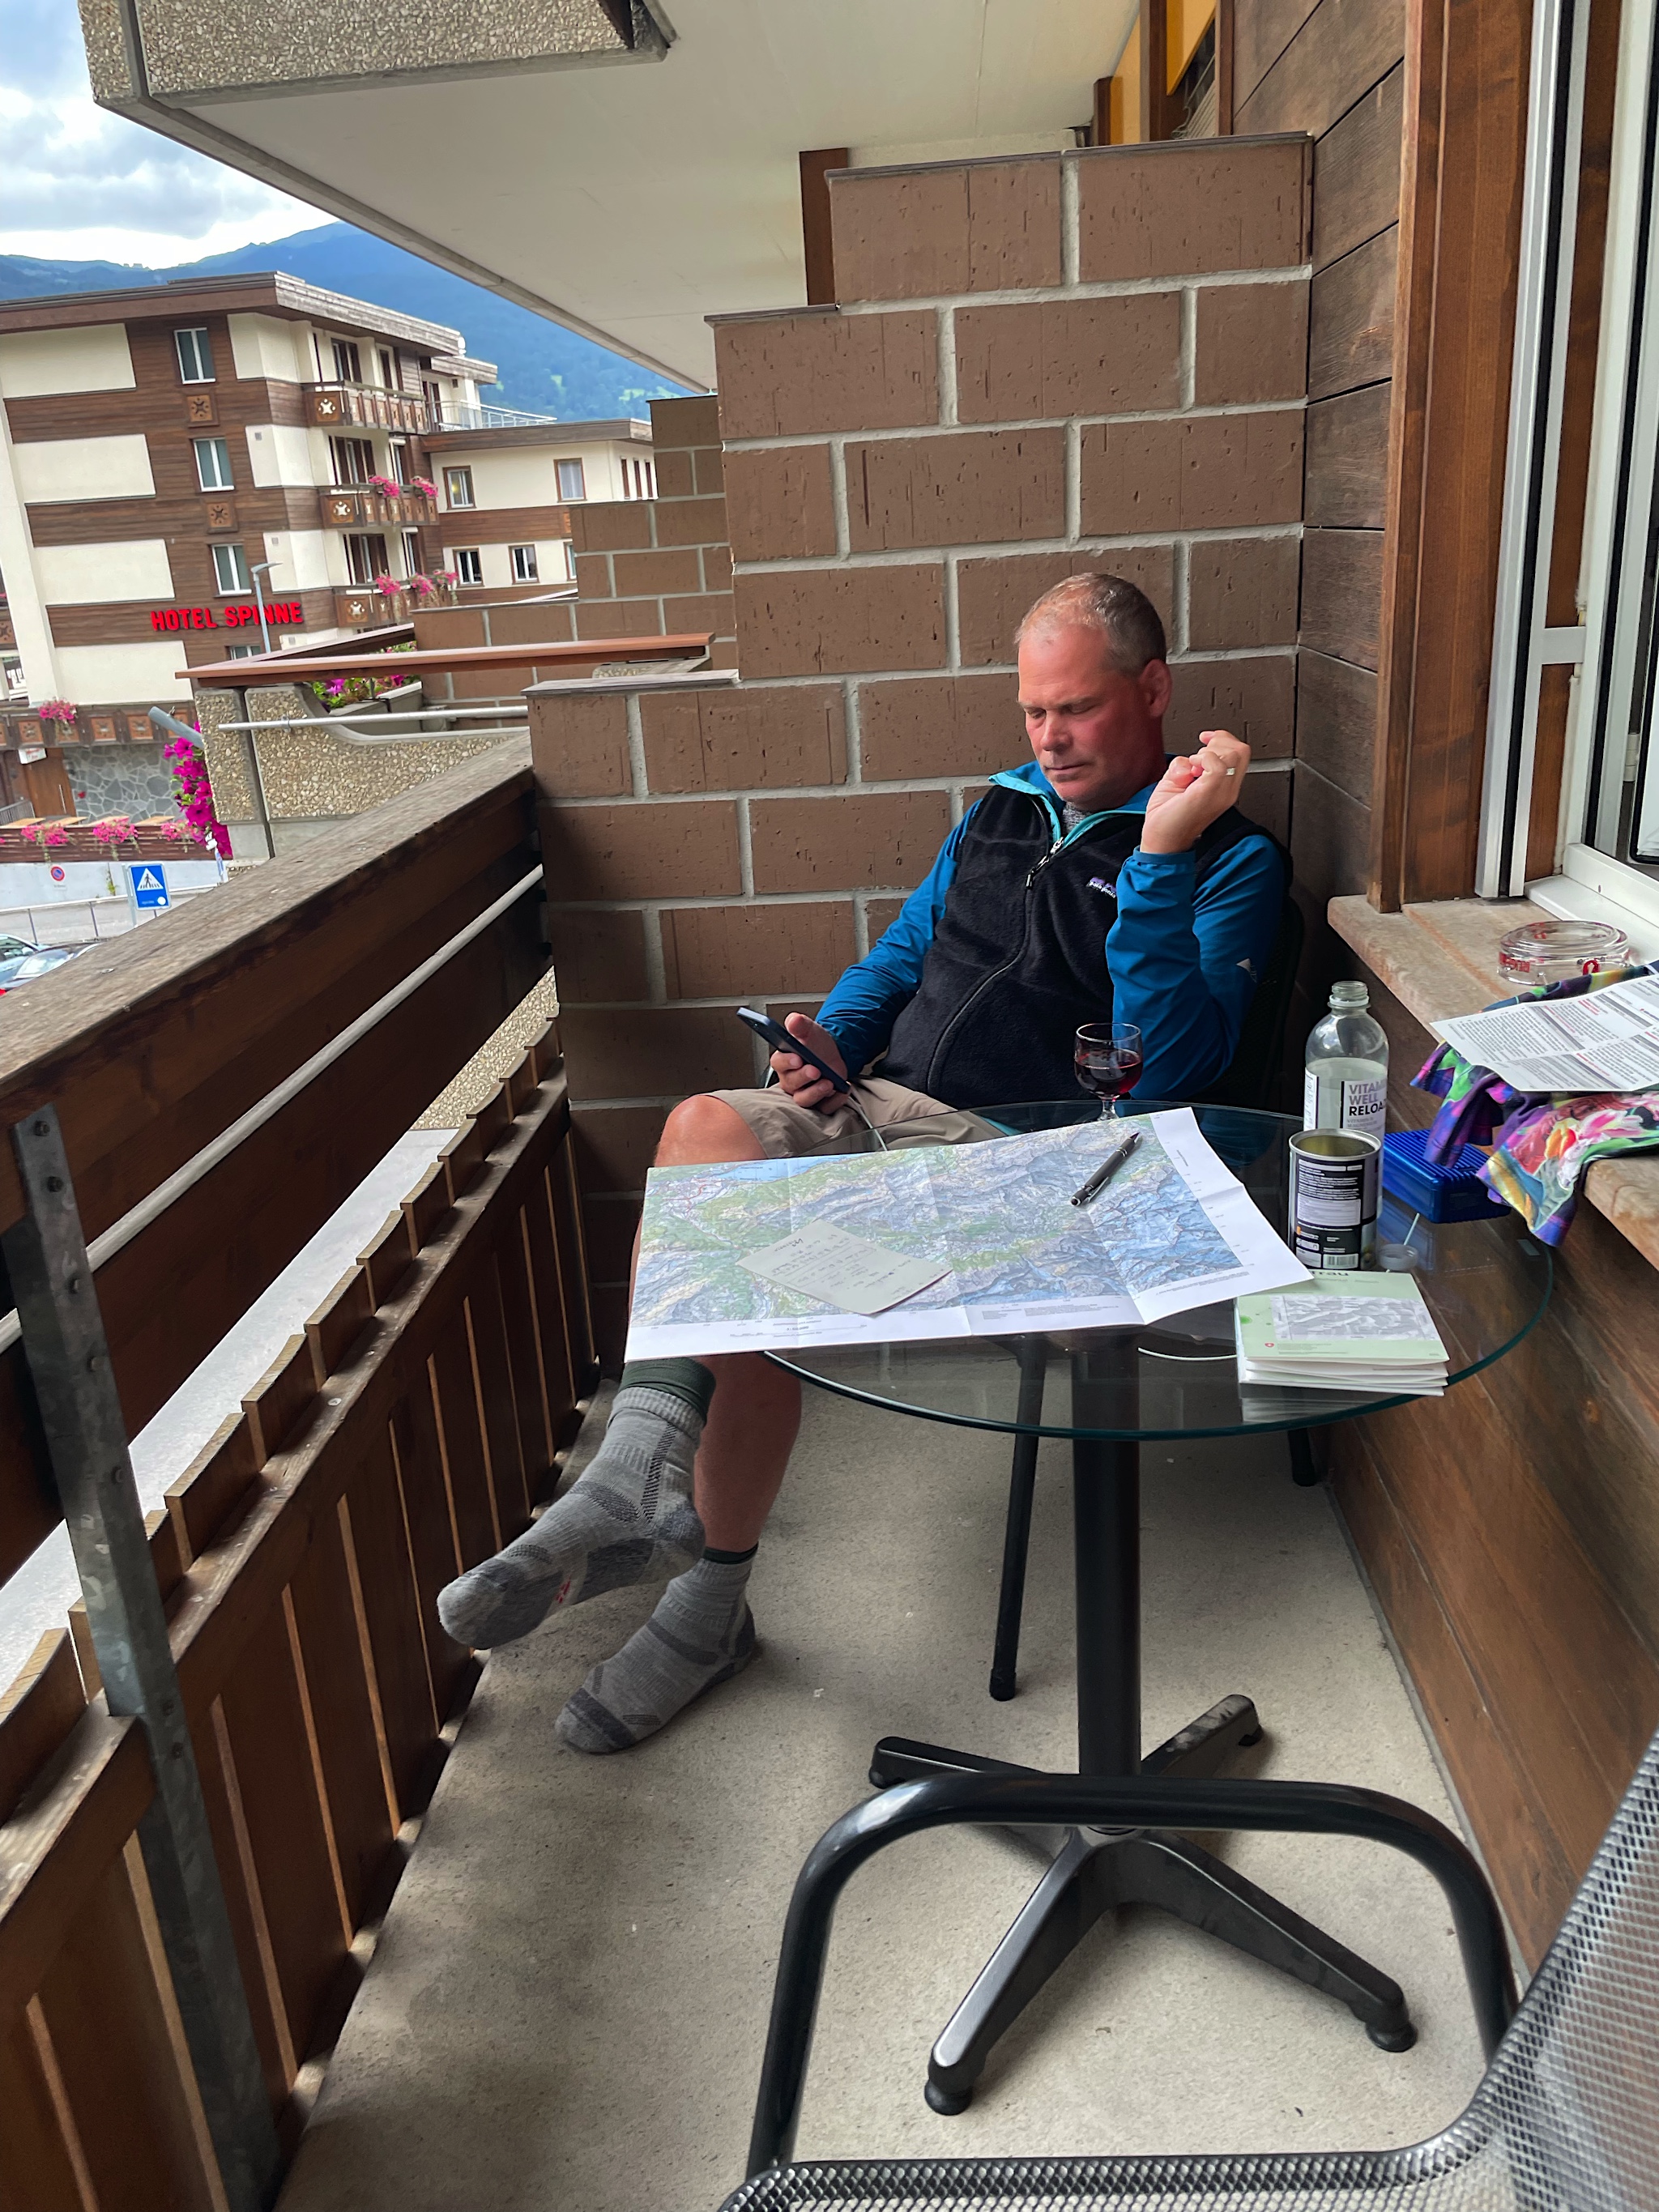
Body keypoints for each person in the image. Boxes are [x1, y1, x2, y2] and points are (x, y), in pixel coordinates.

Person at [438, 573, 1288, 1752]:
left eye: (1078, 710)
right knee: (705, 1135)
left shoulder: (1231, 859)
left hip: (1045, 1172)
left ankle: (705, 1594)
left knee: (748, 1260)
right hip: (891, 1114)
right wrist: (828, 1037)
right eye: (1034, 711)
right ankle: (639, 1473)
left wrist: (1157, 857)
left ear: (1152, 692)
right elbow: (905, 953)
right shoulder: (998, 810)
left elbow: (1169, 1072)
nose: (1049, 738)